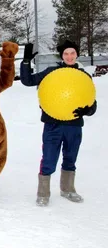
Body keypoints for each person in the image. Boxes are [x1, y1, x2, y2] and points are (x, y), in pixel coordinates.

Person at [20, 41, 97, 206]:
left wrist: (87, 111)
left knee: (70, 157)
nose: (69, 56)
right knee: (49, 158)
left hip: (74, 125)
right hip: (53, 124)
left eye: (72, 53)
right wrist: (26, 61)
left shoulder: (84, 76)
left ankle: (68, 189)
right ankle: (43, 194)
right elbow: (27, 81)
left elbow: (92, 102)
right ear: (61, 56)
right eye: (66, 54)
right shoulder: (51, 72)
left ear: (77, 55)